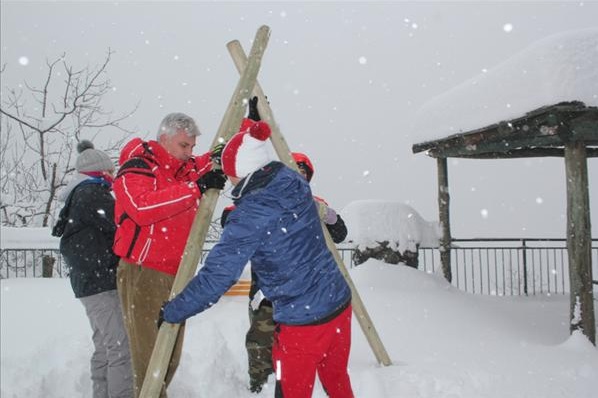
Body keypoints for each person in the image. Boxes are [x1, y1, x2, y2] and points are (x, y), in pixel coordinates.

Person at [162, 118, 355, 398]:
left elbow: (217, 277)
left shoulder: (249, 216)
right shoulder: (292, 181)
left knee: (292, 392)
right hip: (338, 303)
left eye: (229, 173)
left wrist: (174, 310)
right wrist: (249, 128)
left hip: (302, 321)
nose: (228, 179)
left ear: (239, 171)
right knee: (337, 382)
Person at [220, 98, 348, 393]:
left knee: (300, 348)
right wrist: (251, 124)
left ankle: (288, 382)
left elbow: (339, 232)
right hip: (268, 288)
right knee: (261, 340)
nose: (299, 176)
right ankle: (261, 384)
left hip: (309, 292)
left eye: (304, 173)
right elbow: (232, 218)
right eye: (296, 170)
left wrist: (327, 215)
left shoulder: (313, 205)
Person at [112, 112, 226, 398]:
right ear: (164, 139)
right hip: (144, 273)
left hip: (176, 275)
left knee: (169, 358)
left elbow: (213, 158)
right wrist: (195, 189)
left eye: (191, 147)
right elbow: (141, 208)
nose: (190, 153)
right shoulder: (138, 166)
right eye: (184, 146)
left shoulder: (182, 169)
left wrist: (248, 124)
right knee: (151, 360)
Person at [54, 140, 133, 398]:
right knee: (120, 348)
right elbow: (124, 225)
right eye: (110, 172)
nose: (113, 177)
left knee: (104, 346)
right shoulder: (93, 193)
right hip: (101, 284)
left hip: (89, 284)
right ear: (101, 172)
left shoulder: (78, 195)